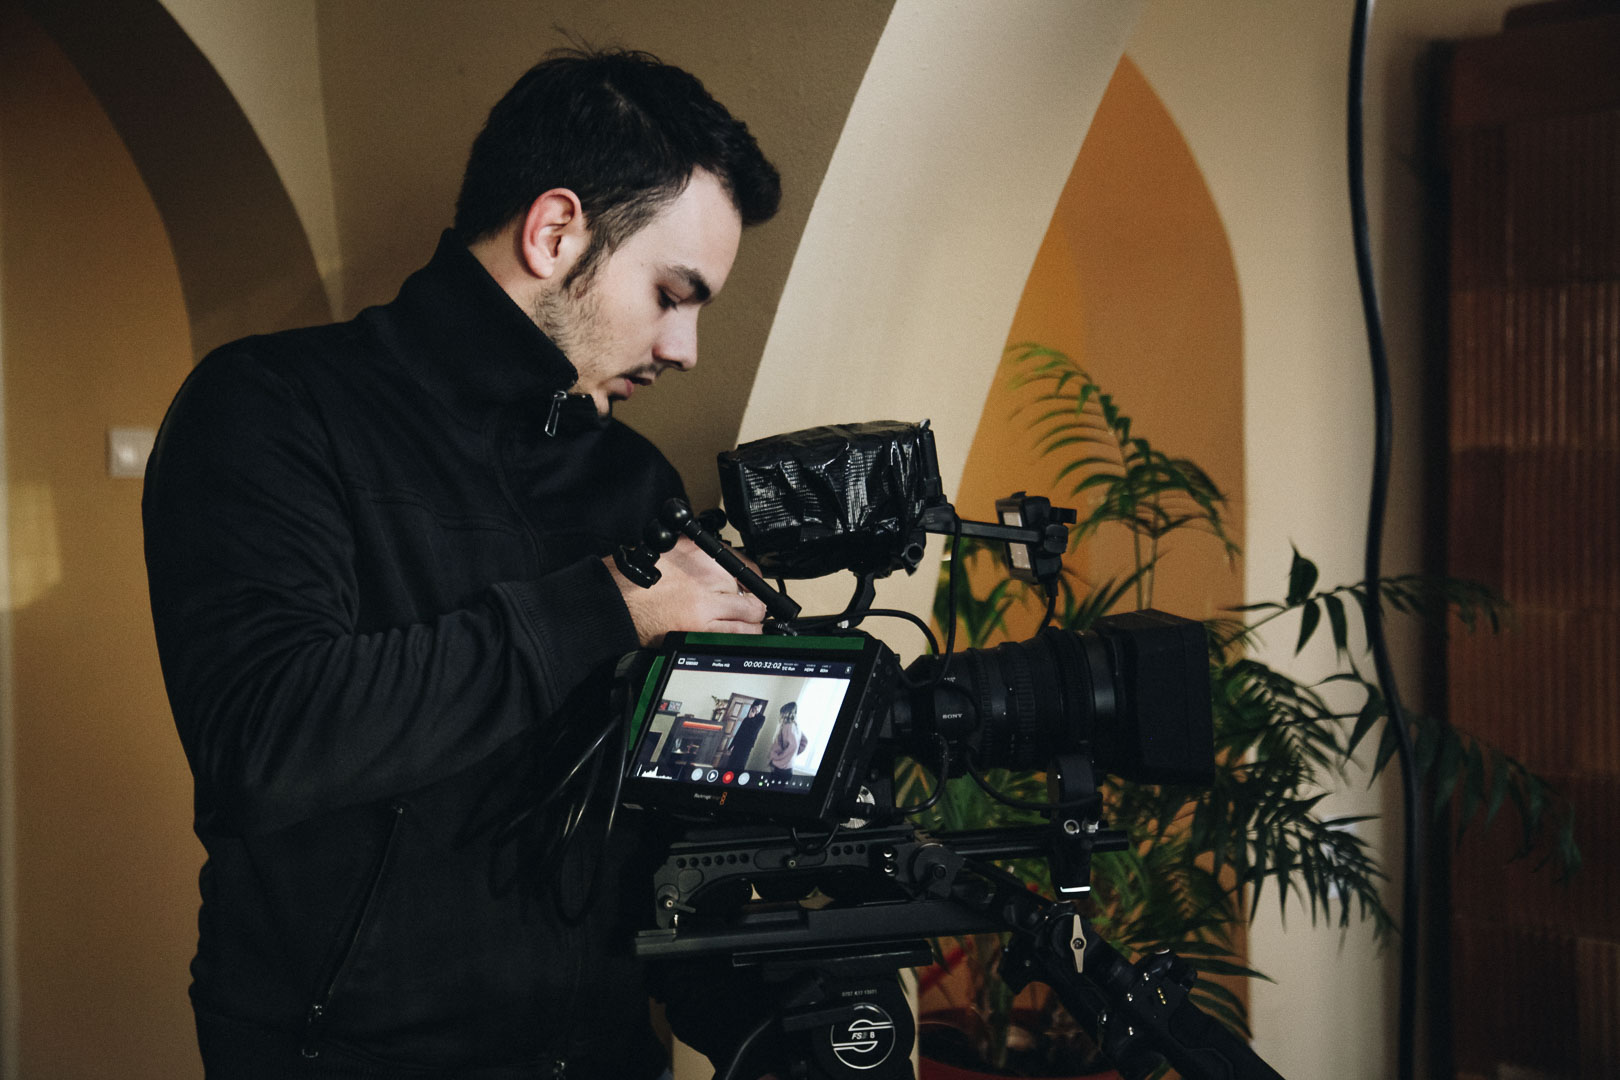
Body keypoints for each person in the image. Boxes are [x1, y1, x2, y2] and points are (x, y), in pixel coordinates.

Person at [143, 47, 779, 1079]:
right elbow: (266, 739)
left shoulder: (633, 482)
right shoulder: (269, 408)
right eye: (672, 293)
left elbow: (654, 831)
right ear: (555, 232)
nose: (685, 348)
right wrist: (608, 608)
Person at [724, 699, 768, 774]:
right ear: (753, 707)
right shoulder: (746, 718)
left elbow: (755, 729)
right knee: (731, 762)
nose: (757, 709)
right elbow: (739, 731)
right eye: (756, 707)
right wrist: (732, 745)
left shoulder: (761, 718)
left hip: (747, 745)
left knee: (741, 763)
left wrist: (751, 718)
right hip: (738, 743)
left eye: (759, 707)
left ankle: (737, 778)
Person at [767, 702, 807, 782]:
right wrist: (791, 756)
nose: (780, 716)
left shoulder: (787, 726)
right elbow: (804, 741)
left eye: (781, 713)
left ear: (785, 713)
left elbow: (793, 746)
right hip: (787, 768)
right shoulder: (796, 726)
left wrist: (779, 759)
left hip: (781, 768)